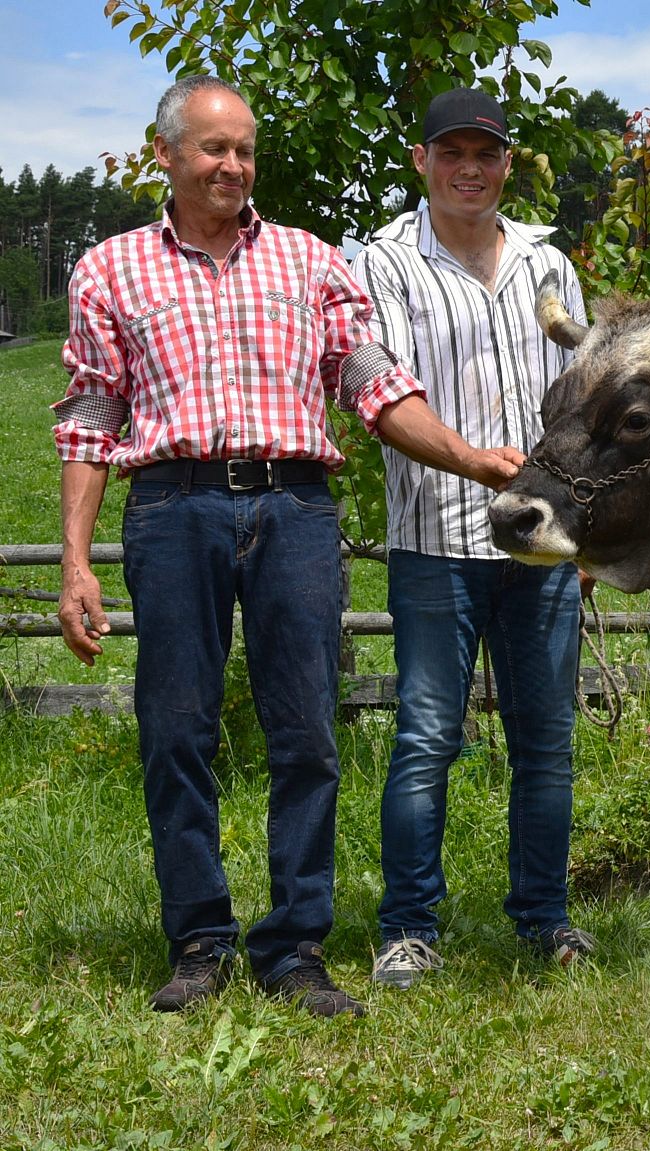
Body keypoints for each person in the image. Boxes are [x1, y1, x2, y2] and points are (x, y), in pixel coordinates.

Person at [55, 75, 522, 1016]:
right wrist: (74, 559)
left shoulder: (310, 262)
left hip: (295, 510)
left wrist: (470, 459)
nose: (234, 166)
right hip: (172, 508)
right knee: (176, 730)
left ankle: (295, 947)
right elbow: (91, 416)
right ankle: (199, 939)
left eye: (246, 150)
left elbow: (375, 383)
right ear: (166, 155)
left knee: (306, 731)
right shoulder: (110, 270)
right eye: (215, 148)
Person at [349, 87, 594, 990]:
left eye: (485, 153)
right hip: (435, 543)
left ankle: (544, 919)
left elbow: (583, 403)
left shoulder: (549, 264)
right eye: (450, 151)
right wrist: (477, 465)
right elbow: (383, 399)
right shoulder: (383, 264)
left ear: (506, 163)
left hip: (541, 547)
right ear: (420, 160)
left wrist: (581, 521)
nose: (469, 168)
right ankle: (409, 929)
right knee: (424, 737)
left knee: (547, 740)